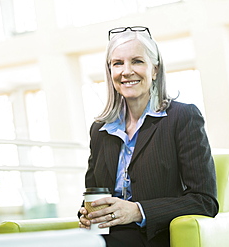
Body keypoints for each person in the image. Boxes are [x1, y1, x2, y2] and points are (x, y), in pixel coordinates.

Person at [78, 26, 218, 247]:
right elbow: (94, 193)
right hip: (105, 236)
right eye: (118, 63)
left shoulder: (183, 117)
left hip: (152, 236)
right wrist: (87, 213)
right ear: (110, 72)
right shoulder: (100, 130)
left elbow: (204, 201)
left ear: (155, 70)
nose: (126, 71)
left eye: (137, 61)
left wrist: (137, 211)